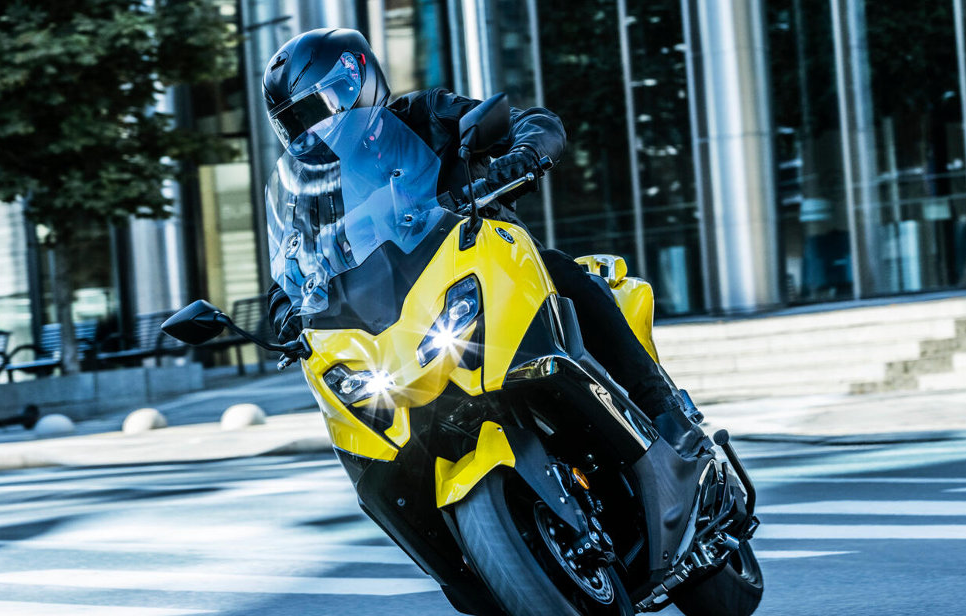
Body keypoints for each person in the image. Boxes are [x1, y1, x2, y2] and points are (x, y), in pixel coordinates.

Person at [262, 28, 708, 458]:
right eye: (295, 122)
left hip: (484, 267)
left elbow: (531, 122)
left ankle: (663, 407)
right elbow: (292, 263)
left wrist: (524, 155)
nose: (313, 130)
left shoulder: (427, 116)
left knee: (560, 271)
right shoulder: (316, 192)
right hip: (399, 315)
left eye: (318, 109)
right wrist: (285, 307)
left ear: (356, 81)